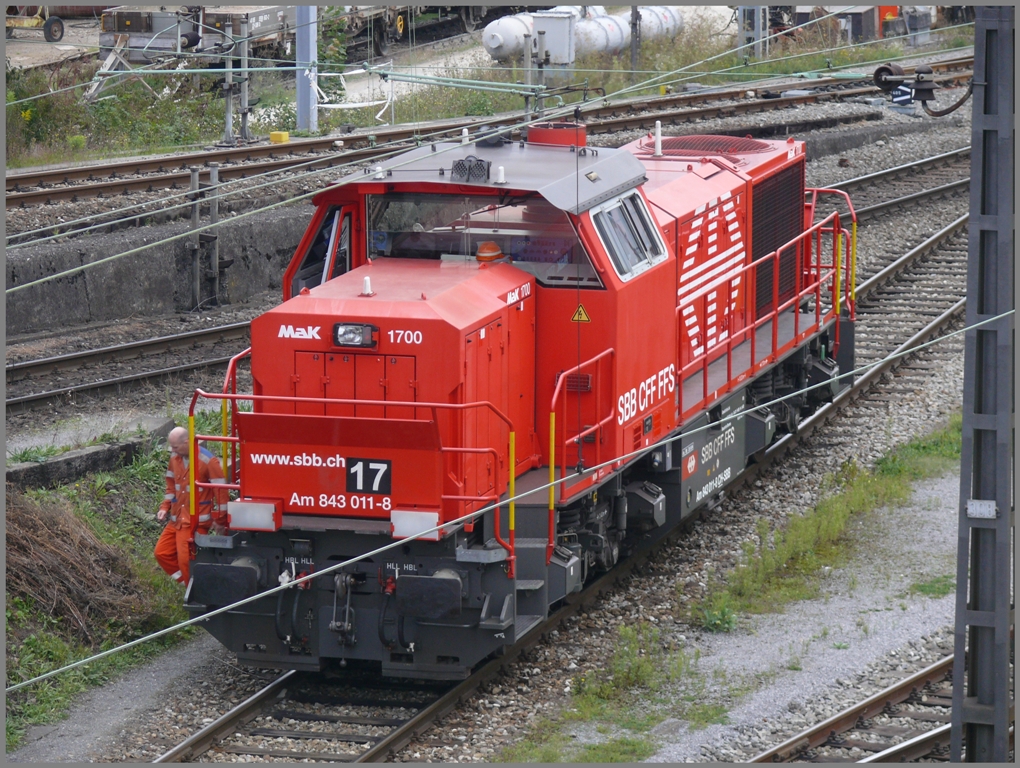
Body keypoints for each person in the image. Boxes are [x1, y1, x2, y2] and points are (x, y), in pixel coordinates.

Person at [153, 426, 228, 585]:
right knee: (161, 553)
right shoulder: (175, 458)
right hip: (177, 519)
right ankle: (191, 586)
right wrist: (164, 507)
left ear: (186, 442)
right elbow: (171, 485)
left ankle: (195, 594)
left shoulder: (208, 461)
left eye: (175, 446)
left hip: (194, 522)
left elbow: (221, 493)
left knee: (186, 561)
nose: (172, 450)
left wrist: (220, 521)